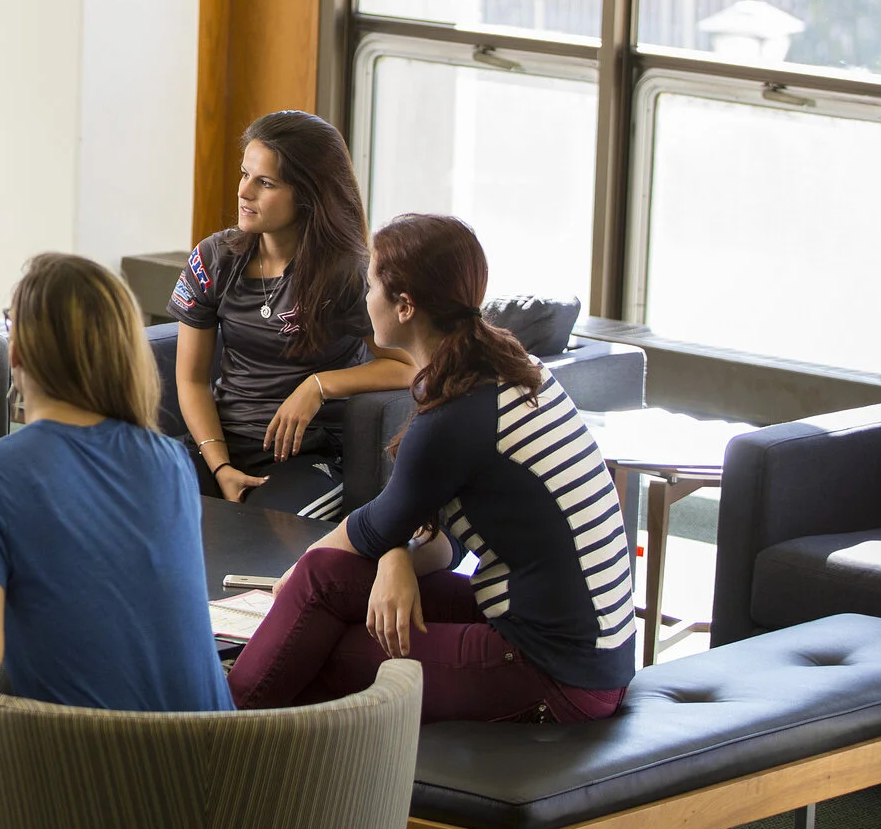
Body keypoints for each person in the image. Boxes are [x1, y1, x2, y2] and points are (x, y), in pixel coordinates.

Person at [228, 213, 635, 723]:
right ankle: (228, 714)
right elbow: (450, 537)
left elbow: (377, 526)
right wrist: (392, 556)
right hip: (573, 646)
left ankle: (213, 735)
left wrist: (301, 573)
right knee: (324, 579)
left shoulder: (456, 412)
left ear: (405, 306)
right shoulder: (507, 369)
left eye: (371, 284)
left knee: (317, 632)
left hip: (555, 671)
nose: (364, 297)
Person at [0, 252, 232, 713]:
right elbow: (105, 566)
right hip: (218, 760)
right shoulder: (171, 461)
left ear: (16, 349)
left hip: (87, 765)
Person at [170, 110, 417, 518]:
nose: (244, 192)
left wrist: (318, 386)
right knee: (129, 504)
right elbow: (191, 379)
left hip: (309, 455)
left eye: (265, 183)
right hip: (220, 442)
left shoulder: (350, 273)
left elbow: (407, 366)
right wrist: (220, 465)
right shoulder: (213, 258)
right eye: (244, 174)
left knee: (269, 531)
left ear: (308, 194)